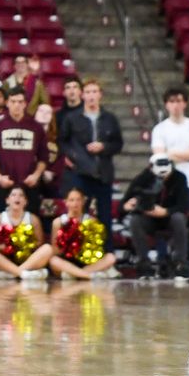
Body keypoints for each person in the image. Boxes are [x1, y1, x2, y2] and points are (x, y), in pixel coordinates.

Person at [59, 78, 122, 248]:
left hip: (103, 174)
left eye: (95, 92)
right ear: (82, 95)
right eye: (88, 92)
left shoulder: (110, 118)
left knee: (105, 218)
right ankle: (75, 254)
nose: (91, 95)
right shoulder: (71, 118)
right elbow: (62, 141)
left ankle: (107, 255)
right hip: (81, 173)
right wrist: (71, 155)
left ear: (100, 95)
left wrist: (104, 146)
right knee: (78, 215)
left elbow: (118, 144)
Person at [150, 87, 189, 261]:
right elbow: (159, 155)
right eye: (172, 101)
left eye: (179, 101)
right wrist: (182, 154)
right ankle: (163, 258)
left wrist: (172, 154)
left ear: (185, 103)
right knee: (162, 221)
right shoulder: (159, 129)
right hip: (167, 183)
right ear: (166, 104)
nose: (176, 105)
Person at [122, 154, 189, 282]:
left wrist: (166, 211)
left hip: (170, 217)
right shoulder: (142, 179)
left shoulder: (180, 178)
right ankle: (144, 265)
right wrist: (127, 206)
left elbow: (183, 206)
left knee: (179, 218)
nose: (163, 177)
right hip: (149, 219)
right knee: (135, 221)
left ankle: (180, 264)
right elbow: (124, 204)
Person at [0, 87, 48, 221]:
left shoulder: (36, 127)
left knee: (32, 224)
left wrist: (36, 176)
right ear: (7, 103)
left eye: (20, 102)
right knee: (3, 225)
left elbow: (43, 157)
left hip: (29, 184)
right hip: (5, 184)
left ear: (25, 104)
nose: (16, 105)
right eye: (13, 101)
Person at [48, 188, 117, 280]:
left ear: (83, 201)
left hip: (87, 261)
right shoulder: (58, 222)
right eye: (72, 200)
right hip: (66, 261)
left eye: (78, 200)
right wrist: (66, 244)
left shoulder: (91, 220)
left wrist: (84, 245)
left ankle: (75, 274)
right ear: (66, 202)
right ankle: (87, 275)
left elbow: (98, 247)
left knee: (110, 257)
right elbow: (55, 250)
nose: (75, 203)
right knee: (53, 261)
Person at [0, 187, 53, 279]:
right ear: (7, 200)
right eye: (13, 195)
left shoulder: (33, 219)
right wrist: (1, 247)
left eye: (21, 195)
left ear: (25, 201)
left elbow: (40, 243)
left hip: (27, 259)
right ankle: (23, 273)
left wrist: (25, 246)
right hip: (5, 258)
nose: (17, 198)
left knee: (48, 248)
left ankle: (14, 273)